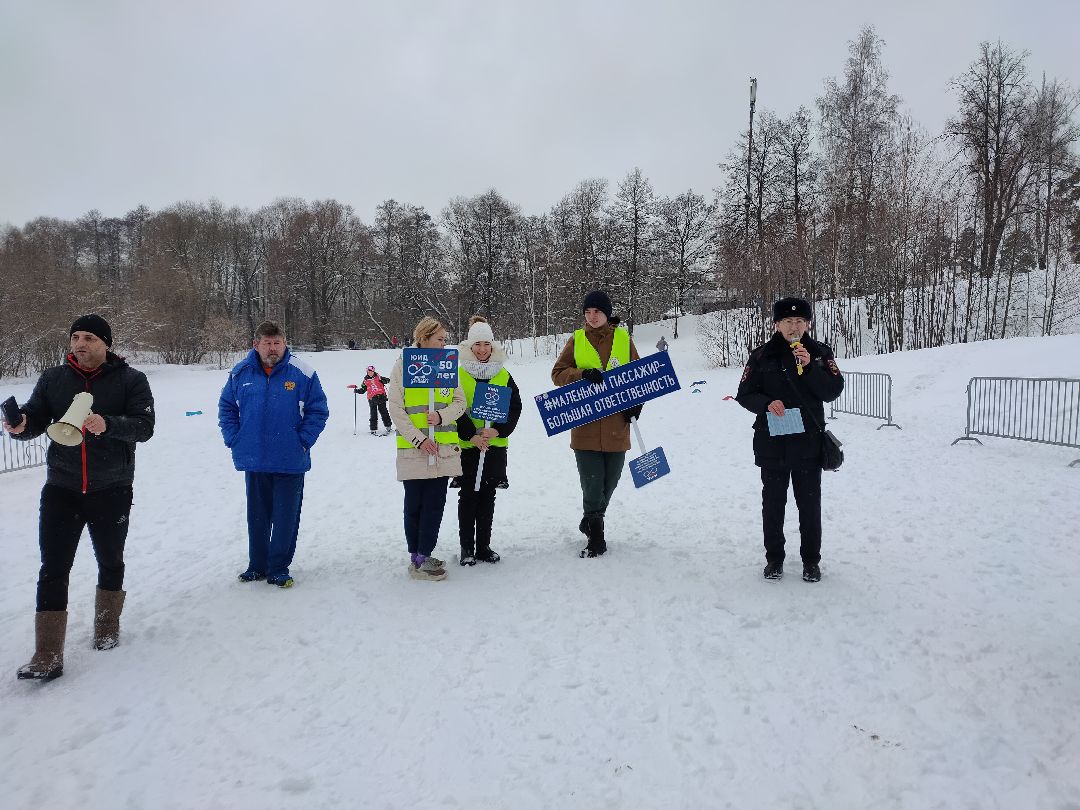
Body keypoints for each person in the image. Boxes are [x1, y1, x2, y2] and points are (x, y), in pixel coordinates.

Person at [4, 314, 155, 681]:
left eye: (89, 337)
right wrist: (22, 425)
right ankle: (47, 654)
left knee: (110, 560)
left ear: (106, 344)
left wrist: (109, 424)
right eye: (75, 337)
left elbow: (145, 426)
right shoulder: (53, 379)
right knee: (53, 567)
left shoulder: (131, 380)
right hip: (62, 488)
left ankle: (106, 628)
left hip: (112, 488)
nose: (80, 344)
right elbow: (36, 417)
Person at [736, 297, 844, 583]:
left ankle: (811, 561)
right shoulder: (762, 356)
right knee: (773, 506)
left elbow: (833, 391)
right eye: (787, 321)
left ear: (807, 324)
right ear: (777, 324)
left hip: (808, 444)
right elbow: (744, 394)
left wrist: (810, 368)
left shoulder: (819, 353)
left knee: (809, 506)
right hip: (772, 444)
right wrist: (766, 403)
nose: (793, 327)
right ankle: (774, 559)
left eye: (799, 321)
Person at [218, 321, 328, 588]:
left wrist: (302, 441)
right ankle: (257, 565)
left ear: (285, 343)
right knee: (257, 517)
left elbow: (318, 410)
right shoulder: (240, 372)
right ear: (256, 345)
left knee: (285, 518)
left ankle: (278, 567)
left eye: (277, 343)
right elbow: (227, 408)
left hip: (290, 460)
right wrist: (234, 439)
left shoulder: (303, 372)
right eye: (267, 343)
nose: (272, 348)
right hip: (254, 459)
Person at [551, 290, 641, 558]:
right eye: (587, 312)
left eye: (597, 312)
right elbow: (557, 373)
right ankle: (596, 536)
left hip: (617, 426)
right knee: (592, 484)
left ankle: (590, 520)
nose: (592, 317)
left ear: (606, 314)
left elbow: (639, 376)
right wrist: (582, 374)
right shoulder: (577, 339)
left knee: (609, 483)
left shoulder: (623, 339)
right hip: (585, 428)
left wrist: (637, 404)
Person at [387, 317, 467, 581]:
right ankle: (416, 557)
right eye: (440, 339)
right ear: (424, 338)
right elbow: (395, 408)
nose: (444, 344)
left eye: (445, 340)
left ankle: (424, 554)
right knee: (414, 505)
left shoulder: (447, 366)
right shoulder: (403, 365)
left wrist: (442, 416)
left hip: (442, 451)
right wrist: (419, 439)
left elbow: (460, 402)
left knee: (434, 505)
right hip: (415, 451)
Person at [451, 316, 523, 566]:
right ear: (469, 346)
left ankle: (483, 546)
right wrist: (471, 435)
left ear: (492, 345)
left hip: (494, 448)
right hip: (468, 447)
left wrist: (498, 431)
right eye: (477, 344)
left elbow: (515, 407)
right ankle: (467, 548)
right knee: (468, 496)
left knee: (487, 496)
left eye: (486, 344)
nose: (482, 350)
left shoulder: (502, 374)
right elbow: (454, 409)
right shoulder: (459, 375)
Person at [360, 364, 392, 435]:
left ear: (373, 371)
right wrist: (357, 390)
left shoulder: (378, 377)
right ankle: (373, 429)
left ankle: (388, 426)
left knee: (384, 412)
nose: (369, 372)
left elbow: (388, 380)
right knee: (373, 414)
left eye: (371, 371)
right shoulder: (365, 381)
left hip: (381, 397)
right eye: (368, 371)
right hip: (372, 399)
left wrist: (383, 380)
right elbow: (362, 390)